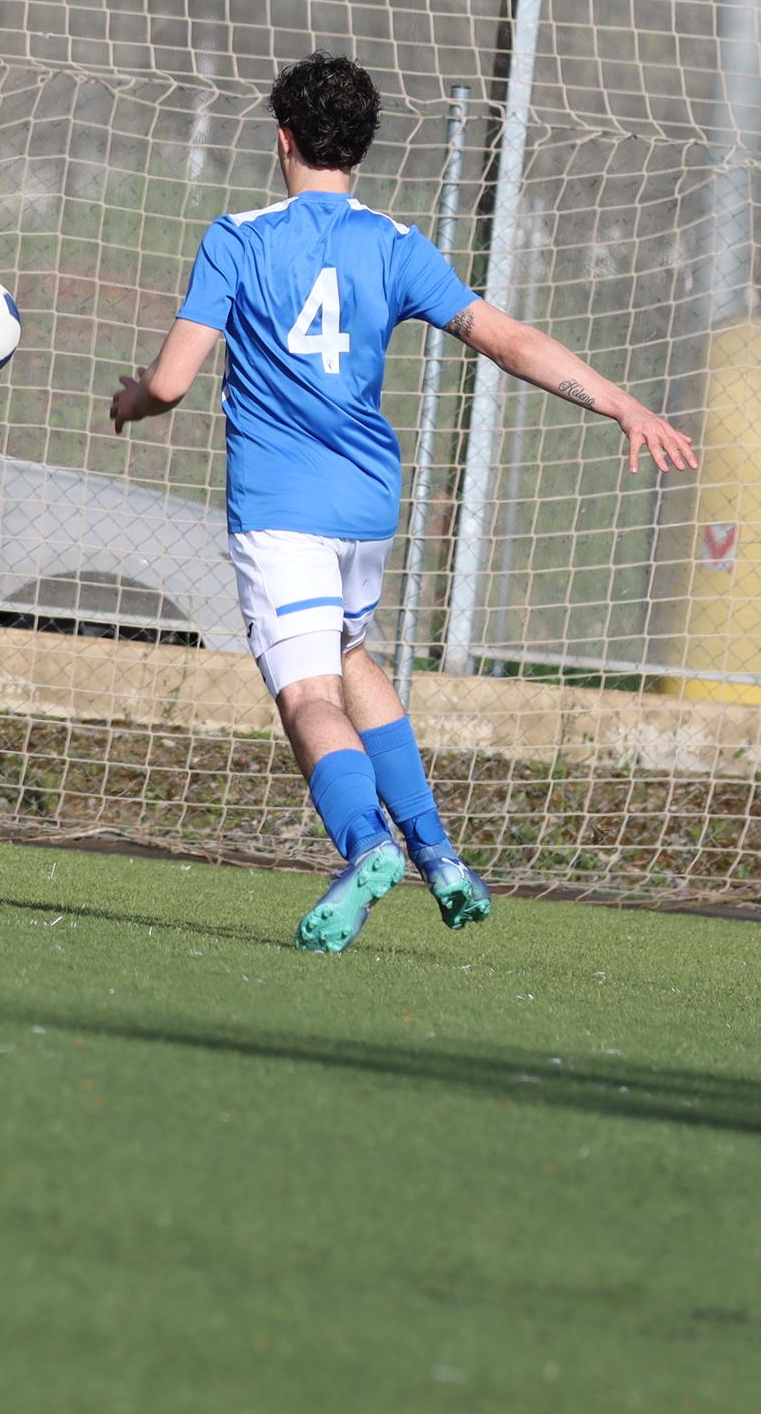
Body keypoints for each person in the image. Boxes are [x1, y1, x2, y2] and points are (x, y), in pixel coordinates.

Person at [109, 50, 698, 951]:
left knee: (307, 693)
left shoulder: (239, 238)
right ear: (360, 148)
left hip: (282, 508)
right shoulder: (395, 244)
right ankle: (439, 854)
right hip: (366, 506)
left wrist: (134, 400)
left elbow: (172, 382)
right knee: (350, 658)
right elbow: (504, 338)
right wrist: (622, 404)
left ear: (282, 140)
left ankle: (365, 845)